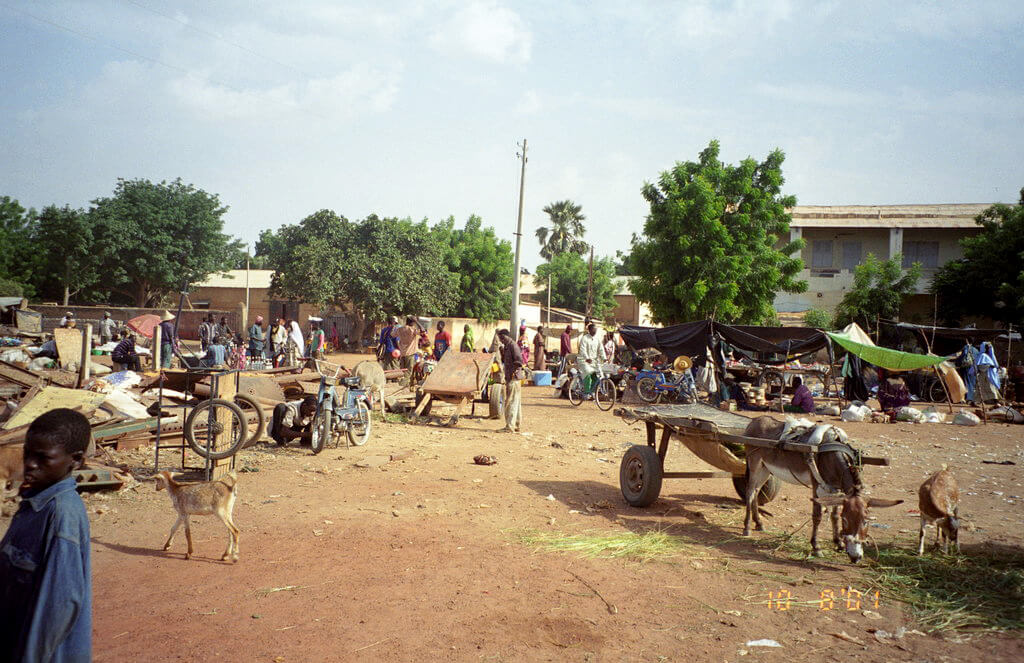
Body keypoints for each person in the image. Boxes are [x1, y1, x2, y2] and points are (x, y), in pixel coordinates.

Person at [0, 408, 92, 662]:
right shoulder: (33, 503)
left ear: (75, 460)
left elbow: (58, 606)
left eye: (43, 458)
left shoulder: (61, 515)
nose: (29, 463)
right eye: (28, 454)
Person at [496, 329, 524, 433]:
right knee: (516, 402)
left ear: (505, 336)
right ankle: (516, 425)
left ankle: (510, 427)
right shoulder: (507, 346)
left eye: (502, 338)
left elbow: (519, 361)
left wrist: (513, 373)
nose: (501, 340)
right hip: (511, 378)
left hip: (514, 378)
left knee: (511, 402)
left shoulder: (513, 345)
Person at [577, 323, 607, 397]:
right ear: (589, 330)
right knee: (588, 373)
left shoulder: (597, 339)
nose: (595, 330)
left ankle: (592, 391)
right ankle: (586, 392)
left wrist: (604, 358)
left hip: (594, 361)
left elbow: (601, 349)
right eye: (593, 329)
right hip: (584, 361)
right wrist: (587, 358)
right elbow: (582, 349)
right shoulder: (585, 338)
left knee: (596, 376)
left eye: (596, 329)